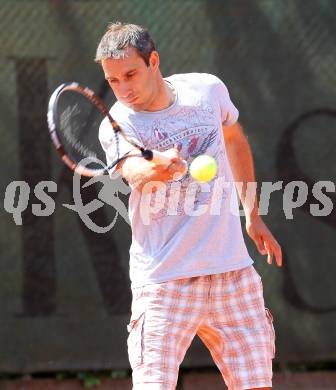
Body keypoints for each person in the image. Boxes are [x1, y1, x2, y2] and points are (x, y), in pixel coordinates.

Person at [96, 22, 282, 390]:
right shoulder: (117, 123)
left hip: (233, 274)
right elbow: (134, 171)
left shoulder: (207, 90)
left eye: (130, 74)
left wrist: (252, 214)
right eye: (113, 80)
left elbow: (233, 138)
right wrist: (156, 169)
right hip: (164, 281)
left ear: (153, 60)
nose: (124, 88)